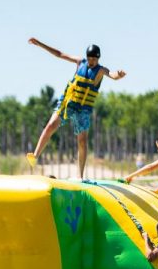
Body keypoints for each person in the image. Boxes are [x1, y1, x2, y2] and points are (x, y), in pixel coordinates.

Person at [25, 39, 127, 180]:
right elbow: (59, 54)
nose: (91, 61)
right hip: (68, 103)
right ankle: (35, 155)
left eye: (93, 59)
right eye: (89, 58)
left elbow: (113, 75)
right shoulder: (80, 62)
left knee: (82, 141)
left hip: (83, 109)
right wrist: (40, 44)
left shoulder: (101, 70)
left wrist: (119, 75)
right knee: (50, 126)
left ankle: (80, 176)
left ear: (98, 58)